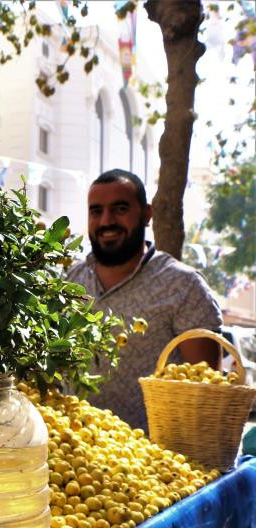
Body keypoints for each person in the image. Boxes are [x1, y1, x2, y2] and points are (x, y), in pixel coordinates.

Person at [67, 169, 222, 432]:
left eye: (120, 209)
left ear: (147, 214)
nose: (106, 221)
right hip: (77, 458)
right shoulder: (70, 282)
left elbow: (207, 391)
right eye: (96, 211)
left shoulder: (184, 287)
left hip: (157, 461)